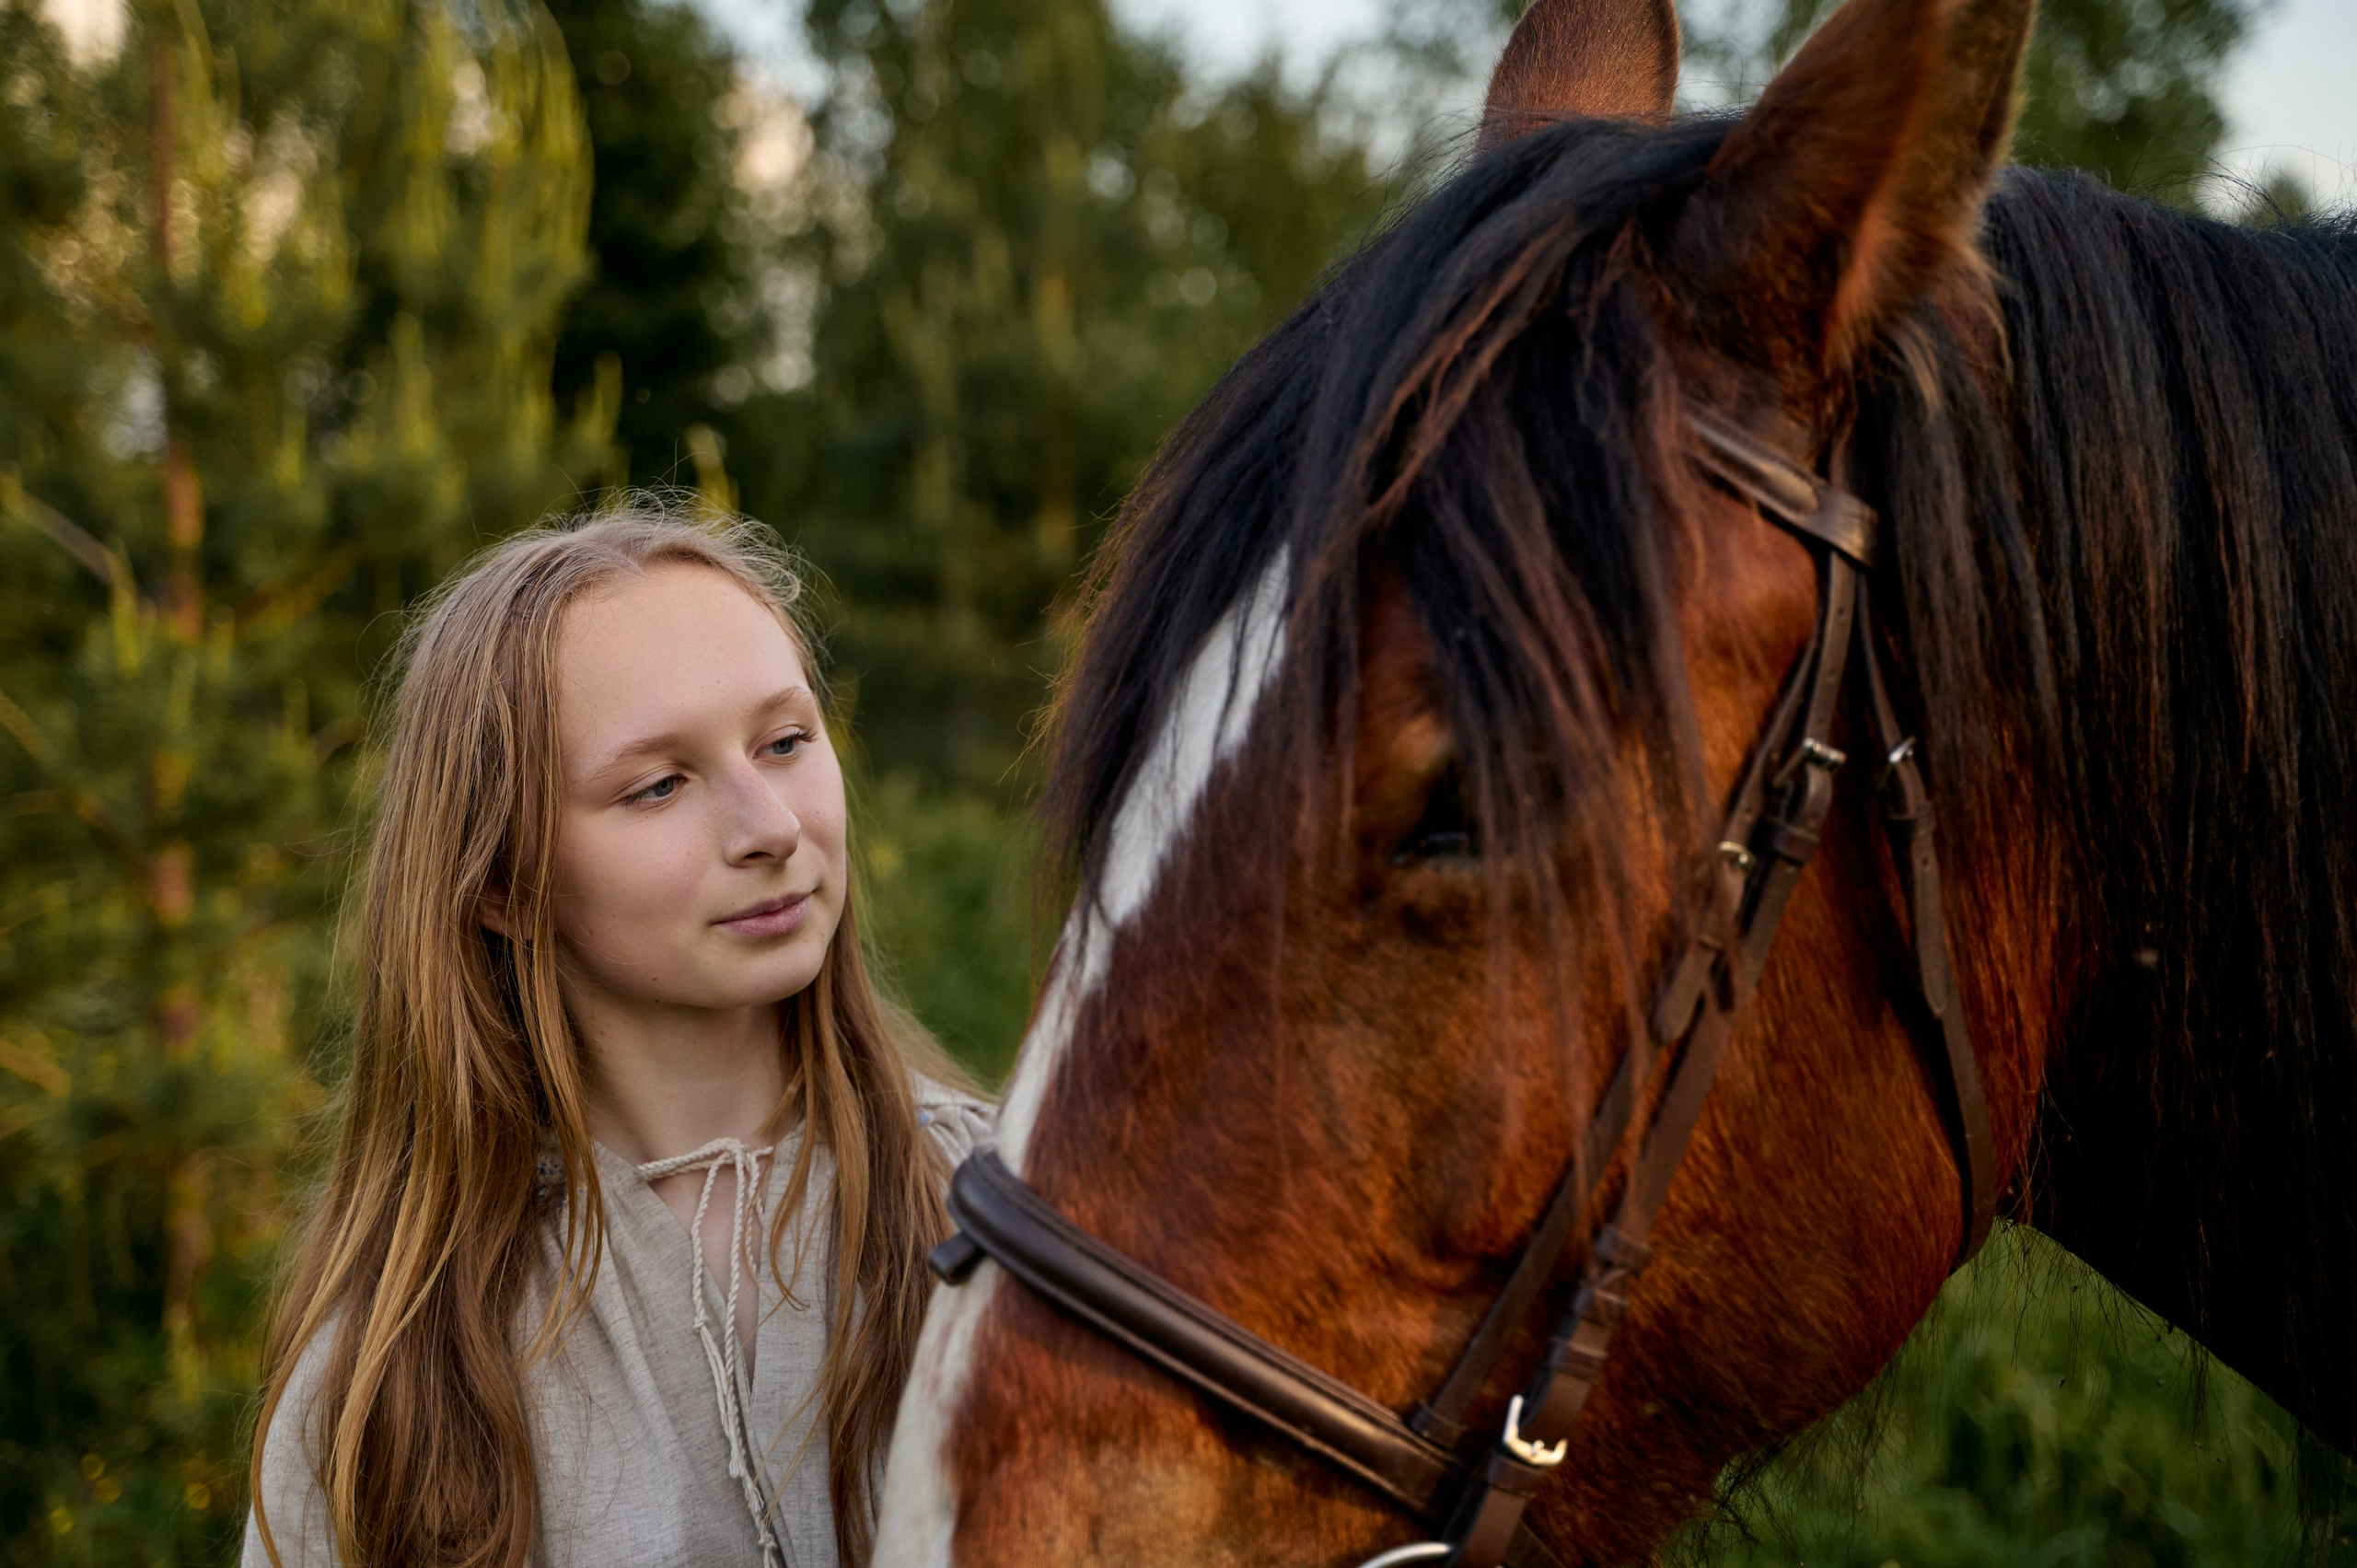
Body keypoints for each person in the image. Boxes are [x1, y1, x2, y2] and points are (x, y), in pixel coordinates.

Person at [244, 503, 993, 1568]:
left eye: (785, 741)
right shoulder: (398, 1365)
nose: (770, 826)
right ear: (501, 880)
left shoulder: (1023, 1213)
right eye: (659, 784)